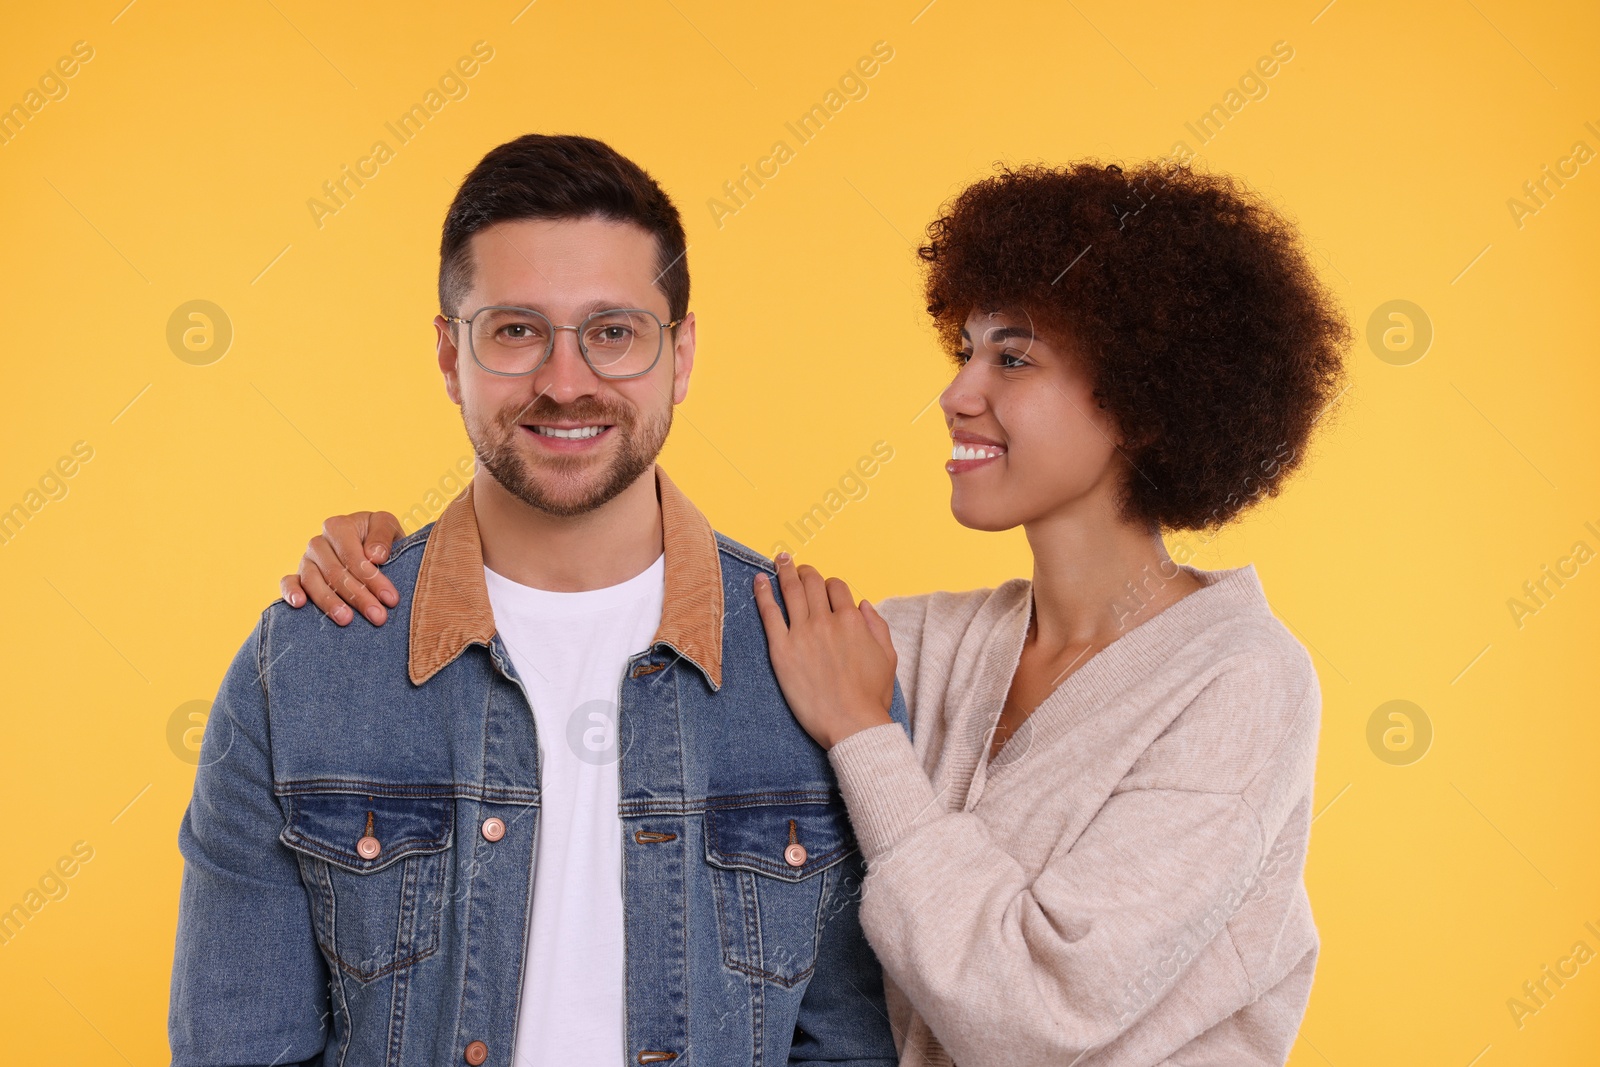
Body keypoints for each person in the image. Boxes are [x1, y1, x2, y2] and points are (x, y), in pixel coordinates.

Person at [285, 159, 1351, 1066]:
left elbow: (1038, 1012)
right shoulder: (926, 644)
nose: (958, 391)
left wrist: (866, 734)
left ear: (1148, 396)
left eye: (1011, 358)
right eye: (964, 349)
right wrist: (416, 556)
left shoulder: (1240, 680)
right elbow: (694, 615)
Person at [169, 133, 902, 1067]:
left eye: (613, 332)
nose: (566, 382)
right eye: (516, 330)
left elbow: (852, 1047)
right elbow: (239, 1050)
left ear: (680, 354)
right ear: (448, 353)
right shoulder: (307, 666)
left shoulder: (813, 662)